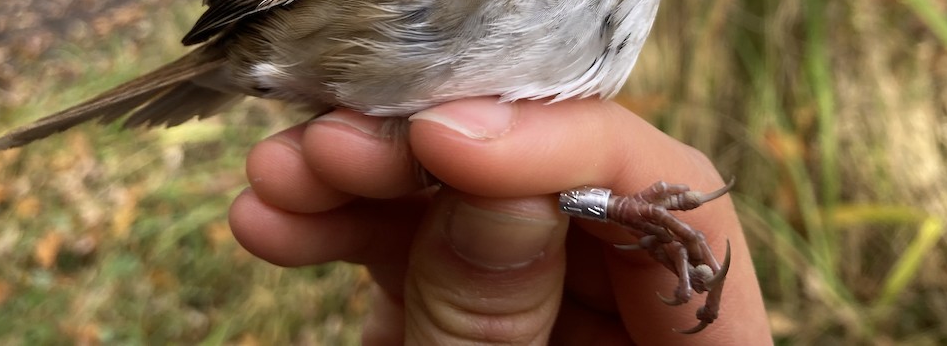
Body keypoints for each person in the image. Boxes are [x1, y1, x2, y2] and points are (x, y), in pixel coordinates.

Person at [229, 96, 772, 344]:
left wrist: (614, 207)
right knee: (496, 180)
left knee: (509, 180)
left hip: (457, 156)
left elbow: (544, 191)